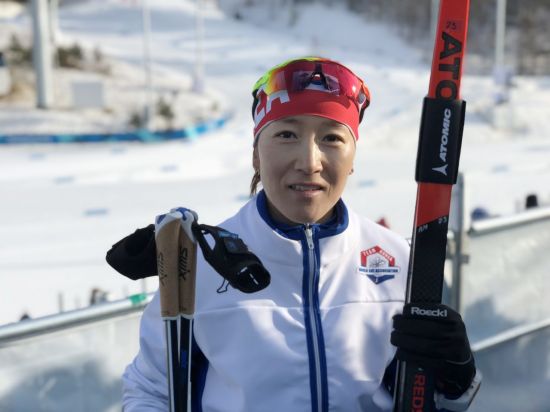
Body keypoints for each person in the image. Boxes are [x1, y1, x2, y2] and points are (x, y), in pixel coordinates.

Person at [107, 57, 478, 411]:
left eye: (332, 138)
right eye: (287, 134)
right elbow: (151, 388)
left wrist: (458, 380)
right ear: (256, 155)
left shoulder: (398, 261)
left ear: (353, 157)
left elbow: (435, 400)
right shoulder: (199, 264)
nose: (309, 162)